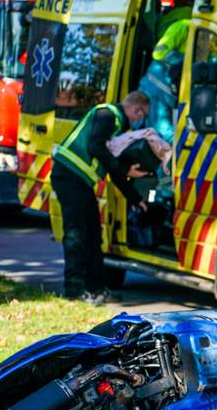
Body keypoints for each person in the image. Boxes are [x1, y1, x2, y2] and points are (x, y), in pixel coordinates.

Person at [50, 92, 151, 304]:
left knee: (94, 236)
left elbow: (113, 169)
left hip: (80, 182)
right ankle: (75, 289)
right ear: (136, 110)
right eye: (141, 116)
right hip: (69, 176)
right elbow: (96, 148)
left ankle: (96, 288)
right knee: (77, 234)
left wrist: (135, 198)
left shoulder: (115, 125)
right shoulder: (108, 115)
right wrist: (124, 168)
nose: (139, 122)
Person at [140, 0, 195, 144]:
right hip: (164, 83)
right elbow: (160, 51)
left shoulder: (165, 19)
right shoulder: (187, 23)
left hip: (165, 83)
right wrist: (183, 61)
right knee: (163, 136)